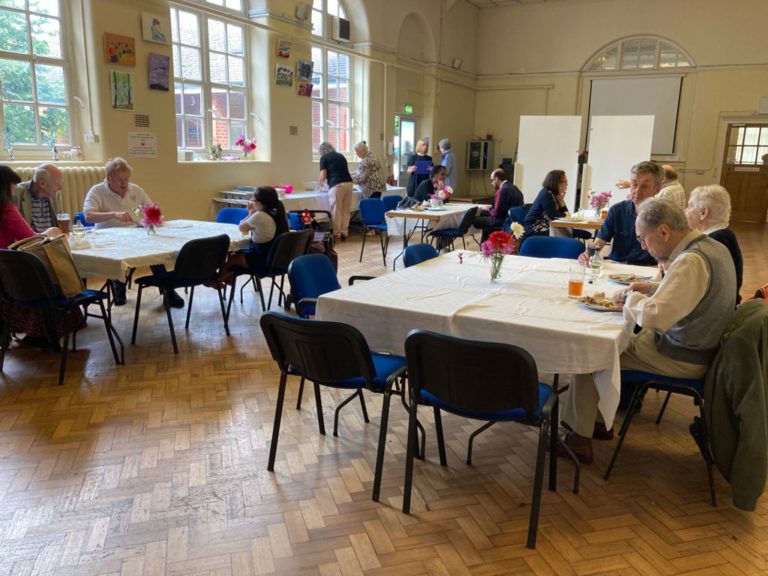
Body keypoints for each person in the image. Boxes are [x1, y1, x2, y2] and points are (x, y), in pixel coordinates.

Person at [561, 197, 737, 463]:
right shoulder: (714, 247)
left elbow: (657, 318)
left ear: (664, 231)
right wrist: (652, 289)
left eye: (643, 238)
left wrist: (629, 299)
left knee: (593, 352)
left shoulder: (691, 261)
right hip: (702, 347)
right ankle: (598, 423)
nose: (643, 246)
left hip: (683, 356)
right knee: (607, 343)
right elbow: (693, 294)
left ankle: (578, 440)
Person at [83, 157, 183, 307]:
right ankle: (118, 283)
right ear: (108, 179)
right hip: (108, 236)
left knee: (154, 253)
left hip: (133, 232)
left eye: (126, 179)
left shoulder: (135, 189)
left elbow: (152, 209)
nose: (124, 183)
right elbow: (88, 216)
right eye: (119, 180)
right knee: (117, 252)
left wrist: (155, 217)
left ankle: (168, 291)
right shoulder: (97, 191)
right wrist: (113, 214)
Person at [0, 164, 79, 348]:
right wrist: (51, 233)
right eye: (12, 186)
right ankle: (47, 329)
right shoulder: (8, 209)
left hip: (7, 268)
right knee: (57, 274)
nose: (14, 190)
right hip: (16, 270)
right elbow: (30, 237)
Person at [579, 161, 661, 266]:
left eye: (644, 186)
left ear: (657, 189)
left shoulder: (663, 215)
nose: (637, 191)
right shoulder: (617, 211)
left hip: (647, 269)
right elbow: (599, 243)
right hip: (617, 267)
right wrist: (587, 254)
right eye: (634, 184)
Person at [215, 187, 288, 283]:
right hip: (276, 260)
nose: (251, 202)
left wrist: (250, 213)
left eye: (253, 200)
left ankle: (217, 282)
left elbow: (241, 227)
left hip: (262, 261)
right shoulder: (277, 213)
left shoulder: (260, 216)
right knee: (237, 254)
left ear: (259, 204)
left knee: (230, 259)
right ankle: (227, 279)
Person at [685, 184, 743, 304]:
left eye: (689, 206)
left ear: (703, 213)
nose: (685, 211)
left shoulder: (713, 242)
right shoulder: (724, 234)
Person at [474, 168, 524, 241]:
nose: (492, 183)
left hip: (504, 221)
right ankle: (487, 241)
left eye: (492, 180)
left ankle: (485, 244)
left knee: (475, 219)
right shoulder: (514, 187)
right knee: (484, 215)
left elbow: (496, 213)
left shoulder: (502, 190)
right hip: (513, 220)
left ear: (496, 179)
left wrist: (488, 209)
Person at [523, 169, 577, 237]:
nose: (567, 184)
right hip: (535, 227)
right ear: (557, 183)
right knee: (565, 233)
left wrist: (561, 202)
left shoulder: (554, 194)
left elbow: (565, 216)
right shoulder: (546, 194)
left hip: (546, 225)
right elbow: (555, 217)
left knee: (567, 231)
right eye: (565, 182)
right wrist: (565, 214)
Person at [318, 142, 353, 241]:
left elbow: (323, 175)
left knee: (336, 210)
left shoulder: (324, 158)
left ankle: (336, 233)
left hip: (337, 185)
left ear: (322, 151)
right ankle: (344, 232)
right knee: (346, 210)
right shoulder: (341, 156)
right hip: (349, 183)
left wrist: (319, 184)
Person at [14, 163, 64, 232]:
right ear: (42, 183)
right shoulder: (17, 193)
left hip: (53, 240)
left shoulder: (55, 195)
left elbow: (61, 221)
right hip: (31, 241)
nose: (60, 189)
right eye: (56, 185)